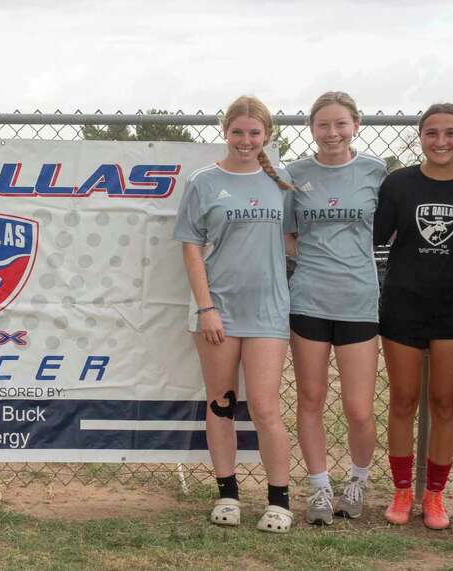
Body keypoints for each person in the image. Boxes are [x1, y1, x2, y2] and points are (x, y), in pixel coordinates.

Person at [174, 95, 295, 533]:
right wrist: (206, 307)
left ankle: (279, 499)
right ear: (225, 131)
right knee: (221, 403)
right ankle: (227, 494)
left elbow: (296, 240)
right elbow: (191, 247)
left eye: (255, 133)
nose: (246, 140)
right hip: (217, 311)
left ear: (268, 135)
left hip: (267, 311)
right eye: (238, 131)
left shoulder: (281, 181)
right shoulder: (204, 181)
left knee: (264, 407)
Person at [373, 103, 453, 529]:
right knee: (403, 400)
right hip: (403, 304)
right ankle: (403, 490)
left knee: (444, 402)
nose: (441, 141)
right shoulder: (399, 183)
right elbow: (373, 237)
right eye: (432, 133)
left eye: (451, 133)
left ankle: (435, 495)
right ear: (420, 136)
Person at [284, 91, 388, 525]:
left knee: (359, 407)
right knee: (310, 398)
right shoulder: (294, 174)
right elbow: (287, 233)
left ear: (356, 126)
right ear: (312, 129)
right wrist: (308, 259)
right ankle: (321, 487)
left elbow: (388, 230)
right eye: (323, 125)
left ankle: (357, 481)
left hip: (359, 302)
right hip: (308, 299)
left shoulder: (375, 172)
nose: (332, 133)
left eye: (340, 124)